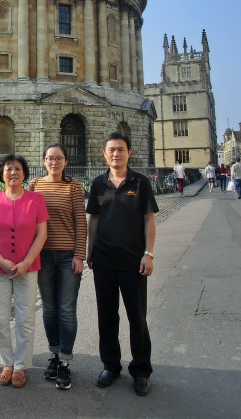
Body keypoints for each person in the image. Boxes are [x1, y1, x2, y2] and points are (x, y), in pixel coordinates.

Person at [86, 132, 158, 397]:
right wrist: (90, 251)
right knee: (106, 316)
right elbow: (94, 219)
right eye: (111, 150)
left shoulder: (140, 182)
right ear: (104, 154)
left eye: (120, 149)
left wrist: (148, 254)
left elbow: (149, 219)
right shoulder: (98, 184)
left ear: (129, 153)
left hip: (133, 262)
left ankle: (141, 370)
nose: (115, 154)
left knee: (136, 317)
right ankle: (111, 365)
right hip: (104, 261)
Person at [0, 154, 48, 388]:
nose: (13, 172)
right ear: (1, 174)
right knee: (0, 318)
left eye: (18, 168)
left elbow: (42, 234)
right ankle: (6, 363)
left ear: (24, 173)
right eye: (8, 169)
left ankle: (20, 365)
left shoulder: (36, 199)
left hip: (27, 268)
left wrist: (27, 262)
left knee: (25, 318)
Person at [28, 143, 87, 391]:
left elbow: (80, 221)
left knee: (66, 309)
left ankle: (65, 360)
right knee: (49, 308)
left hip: (67, 256)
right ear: (44, 161)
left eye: (59, 158)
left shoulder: (73, 186)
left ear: (65, 162)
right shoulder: (34, 185)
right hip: (42, 256)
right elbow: (28, 219)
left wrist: (80, 255)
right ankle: (54, 353)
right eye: (50, 158)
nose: (54, 162)